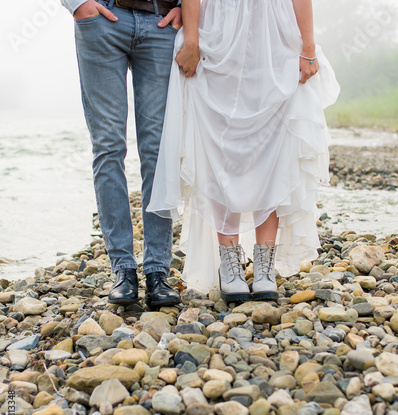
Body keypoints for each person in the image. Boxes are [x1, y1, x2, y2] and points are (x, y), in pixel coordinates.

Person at [147, 0, 340, 301]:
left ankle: (265, 263)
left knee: (275, 143)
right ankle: (229, 260)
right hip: (219, 28)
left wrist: (309, 46)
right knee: (220, 144)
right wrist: (193, 39)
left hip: (274, 30)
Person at [61, 0, 182, 308]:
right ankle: (123, 269)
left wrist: (186, 9)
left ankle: (158, 270)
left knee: (157, 151)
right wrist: (77, 4)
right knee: (108, 146)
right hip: (102, 18)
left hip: (161, 23)